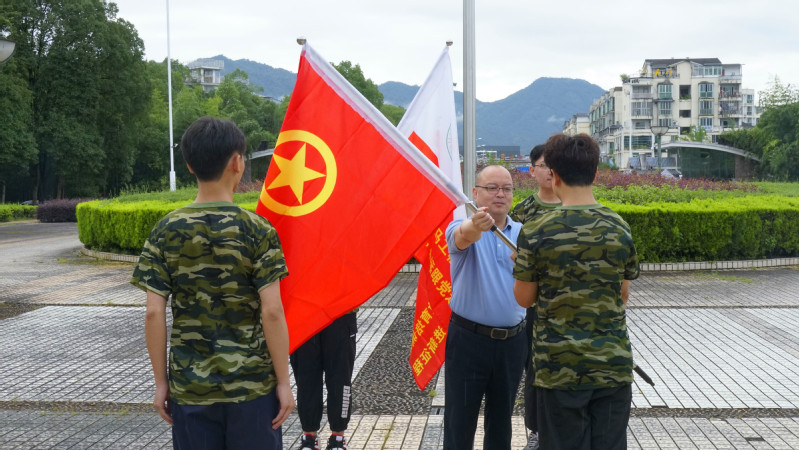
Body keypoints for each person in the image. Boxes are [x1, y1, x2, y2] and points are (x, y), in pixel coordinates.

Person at [131, 116, 295, 449]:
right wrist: (283, 382)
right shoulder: (258, 230)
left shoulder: (166, 230)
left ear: (190, 165)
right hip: (252, 389)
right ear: (237, 163)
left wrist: (161, 383)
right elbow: (272, 311)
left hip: (191, 389)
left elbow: (153, 312)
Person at [513, 133, 640, 450]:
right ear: (596, 174)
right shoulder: (619, 227)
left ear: (554, 176)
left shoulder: (536, 231)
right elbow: (622, 296)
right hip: (612, 366)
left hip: (559, 369)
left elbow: (524, 299)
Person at [444, 164, 527, 450]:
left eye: (506, 188)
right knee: (459, 421)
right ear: (475, 193)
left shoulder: (523, 235)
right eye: (492, 188)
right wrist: (475, 225)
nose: (500, 194)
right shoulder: (460, 226)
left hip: (513, 342)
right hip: (469, 340)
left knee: (502, 423)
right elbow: (464, 236)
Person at [510, 144, 561, 450]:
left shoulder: (573, 207)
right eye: (543, 165)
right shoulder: (523, 211)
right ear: (532, 171)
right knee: (534, 367)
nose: (550, 171)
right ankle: (536, 430)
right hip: (532, 304)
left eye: (554, 165)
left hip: (565, 304)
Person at [291, 310, 357, 450]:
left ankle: (338, 438)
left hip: (341, 312)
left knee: (340, 380)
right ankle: (309, 437)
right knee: (306, 381)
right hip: (304, 313)